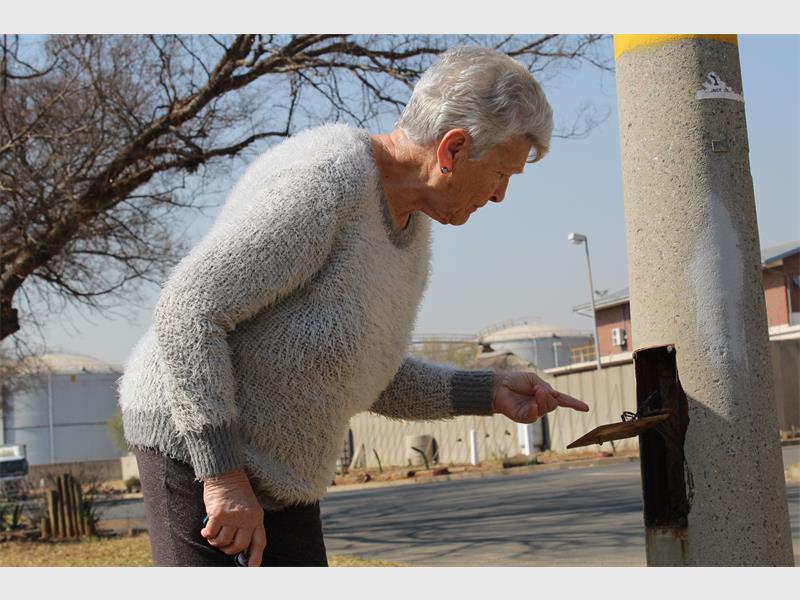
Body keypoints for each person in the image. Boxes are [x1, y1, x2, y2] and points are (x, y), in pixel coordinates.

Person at [117, 45, 590, 567]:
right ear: (453, 149)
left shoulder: (411, 228)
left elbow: (363, 370)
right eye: (502, 173)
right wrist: (223, 477)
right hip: (195, 444)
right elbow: (188, 311)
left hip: (283, 471)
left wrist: (488, 390)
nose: (500, 195)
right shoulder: (327, 179)